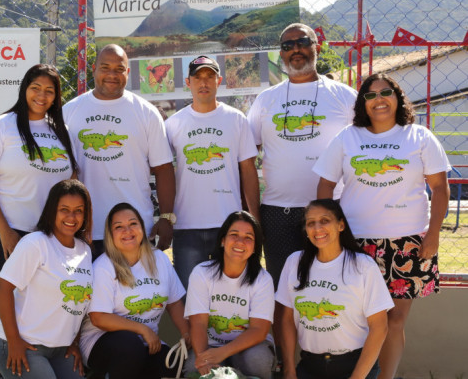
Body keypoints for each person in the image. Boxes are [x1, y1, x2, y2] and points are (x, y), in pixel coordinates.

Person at [313, 73, 450, 379]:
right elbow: (325, 184)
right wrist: (329, 231)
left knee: (395, 319)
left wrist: (433, 235)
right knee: (361, 319)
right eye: (370, 95)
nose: (379, 100)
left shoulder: (420, 137)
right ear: (363, 103)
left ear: (398, 98)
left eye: (385, 92)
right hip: (357, 244)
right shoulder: (348, 138)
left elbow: (440, 188)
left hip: (409, 242)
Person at [247, 23, 358, 288]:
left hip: (331, 209)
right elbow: (247, 158)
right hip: (277, 212)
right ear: (281, 55)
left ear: (315, 47)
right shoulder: (266, 100)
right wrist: (253, 213)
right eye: (287, 45)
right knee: (282, 289)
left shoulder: (344, 96)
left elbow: (364, 149)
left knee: (331, 286)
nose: (295, 49)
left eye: (302, 42)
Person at [63, 44, 175, 258]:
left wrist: (166, 217)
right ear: (94, 69)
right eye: (105, 67)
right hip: (84, 229)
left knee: (136, 292)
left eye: (119, 69)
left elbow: (163, 169)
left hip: (133, 229)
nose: (112, 75)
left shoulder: (147, 113)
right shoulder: (69, 111)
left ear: (128, 72)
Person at [0, 64, 78, 280]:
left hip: (51, 235)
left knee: (44, 302)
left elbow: (71, 180)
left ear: (56, 96)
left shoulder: (62, 131)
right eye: (35, 87)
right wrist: (6, 233)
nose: (42, 95)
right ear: (24, 89)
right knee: (13, 304)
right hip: (10, 231)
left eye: (49, 91)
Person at [165, 56, 260, 290]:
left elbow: (248, 170)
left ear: (219, 81)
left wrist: (255, 220)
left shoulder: (236, 119)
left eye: (209, 77)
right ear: (188, 82)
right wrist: (165, 218)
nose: (203, 83)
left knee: (231, 295)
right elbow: (163, 171)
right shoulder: (173, 124)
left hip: (228, 225)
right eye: (198, 77)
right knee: (190, 296)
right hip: (186, 225)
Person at [276, 199, 393, 379]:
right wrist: (289, 371)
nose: (317, 228)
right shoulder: (294, 262)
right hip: (309, 366)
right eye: (310, 223)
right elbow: (286, 320)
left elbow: (380, 326)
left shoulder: (363, 266)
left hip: (355, 366)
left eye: (325, 221)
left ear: (340, 225)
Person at [0, 179, 92, 379]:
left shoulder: (85, 250)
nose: (71, 217)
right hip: (24, 345)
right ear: (52, 210)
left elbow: (81, 304)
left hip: (60, 349)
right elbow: (3, 287)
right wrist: (13, 341)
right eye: (64, 209)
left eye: (78, 210)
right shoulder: (35, 243)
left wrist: (73, 343)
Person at [79, 202, 189, 379]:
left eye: (133, 224)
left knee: (169, 367)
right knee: (130, 347)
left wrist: (187, 334)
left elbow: (174, 303)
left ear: (142, 228)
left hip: (146, 342)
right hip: (102, 341)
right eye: (119, 227)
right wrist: (143, 330)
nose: (127, 230)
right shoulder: (103, 266)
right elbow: (98, 317)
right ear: (110, 234)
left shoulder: (159, 259)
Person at [184, 211, 275, 379]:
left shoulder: (263, 279)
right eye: (234, 234)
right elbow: (198, 324)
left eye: (249, 237)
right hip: (210, 344)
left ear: (255, 246)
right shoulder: (202, 273)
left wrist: (222, 353)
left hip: (250, 346)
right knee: (193, 367)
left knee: (258, 360)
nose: (240, 241)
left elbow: (259, 330)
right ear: (222, 240)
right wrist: (205, 358)